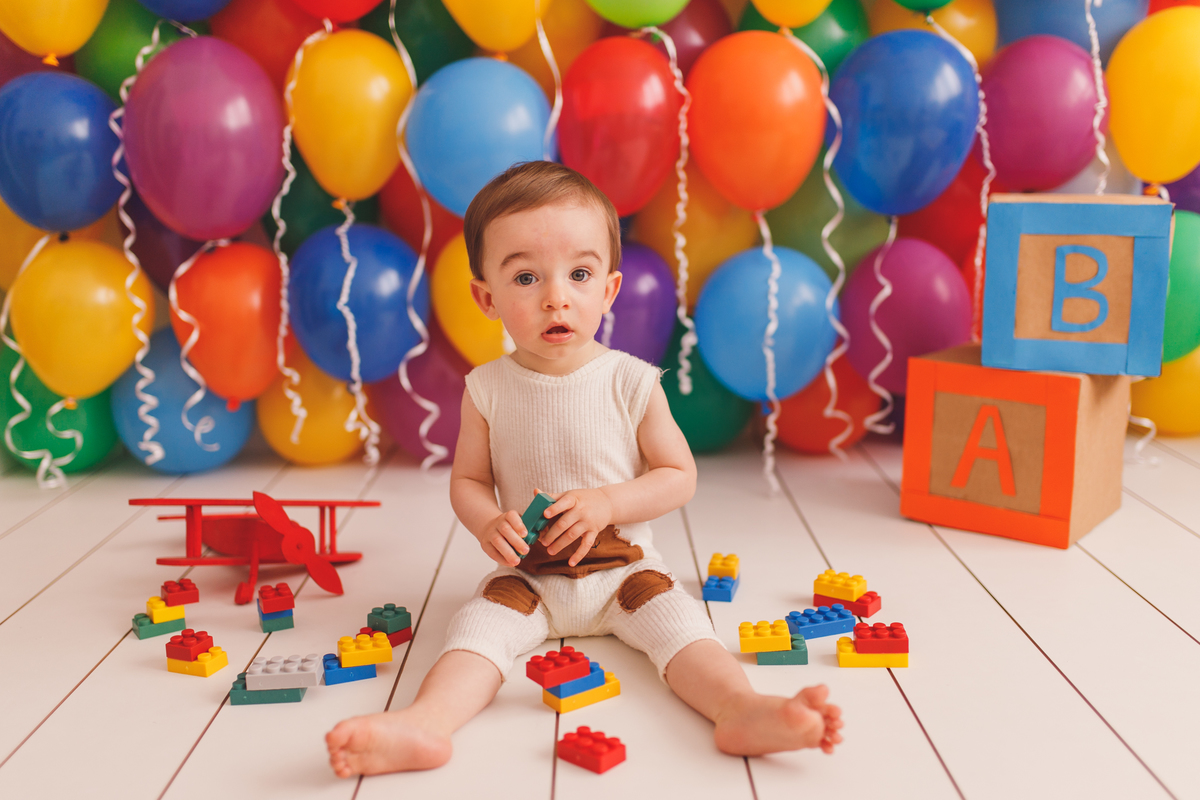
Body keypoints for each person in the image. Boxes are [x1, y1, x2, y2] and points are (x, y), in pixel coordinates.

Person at [326, 161, 843, 777]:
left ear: (609, 289)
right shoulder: (486, 389)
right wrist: (487, 520)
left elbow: (678, 474)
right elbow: (468, 480)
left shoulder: (630, 381)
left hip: (626, 574)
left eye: (579, 274)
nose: (556, 296)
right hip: (528, 579)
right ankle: (425, 723)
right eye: (526, 277)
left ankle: (740, 708)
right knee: (474, 633)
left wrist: (609, 503)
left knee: (684, 627)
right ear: (486, 298)